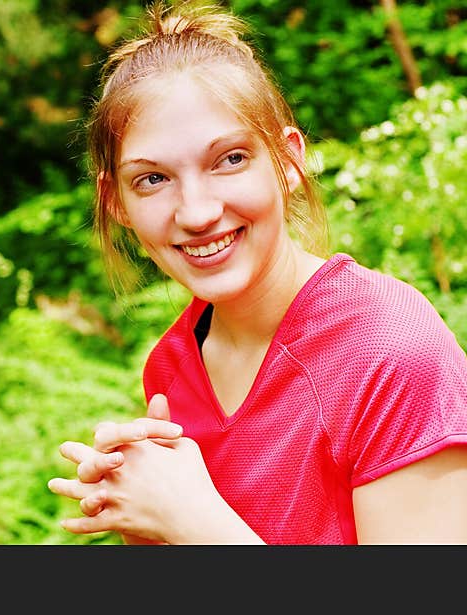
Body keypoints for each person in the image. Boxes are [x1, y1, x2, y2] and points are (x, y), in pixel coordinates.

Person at [47, 0, 467, 544]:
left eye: (231, 159)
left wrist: (193, 522)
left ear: (289, 162)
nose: (196, 213)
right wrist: (144, 515)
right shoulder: (171, 369)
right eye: (152, 179)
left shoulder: (390, 351)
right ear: (116, 202)